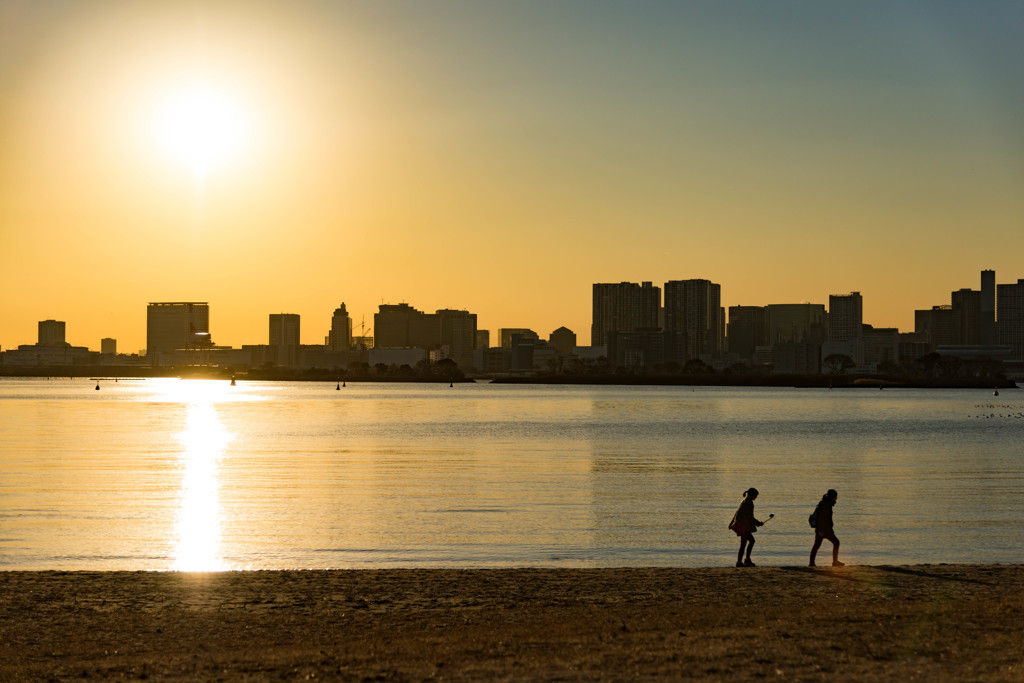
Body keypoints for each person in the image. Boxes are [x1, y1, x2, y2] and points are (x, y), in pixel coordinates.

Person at [728, 488, 765, 567]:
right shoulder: (749, 503)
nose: (756, 497)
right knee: (750, 541)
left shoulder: (744, 501)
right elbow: (750, 517)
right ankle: (744, 561)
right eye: (756, 496)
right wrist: (758, 523)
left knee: (745, 542)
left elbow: (737, 512)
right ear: (752, 495)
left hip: (739, 523)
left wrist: (731, 523)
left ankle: (742, 561)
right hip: (742, 525)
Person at [810, 489, 844, 567]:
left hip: (823, 529)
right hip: (825, 530)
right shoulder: (827, 505)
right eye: (835, 496)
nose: (836, 498)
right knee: (836, 542)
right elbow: (823, 519)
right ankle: (834, 562)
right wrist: (821, 530)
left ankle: (812, 563)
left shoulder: (824, 503)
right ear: (832, 497)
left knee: (816, 546)